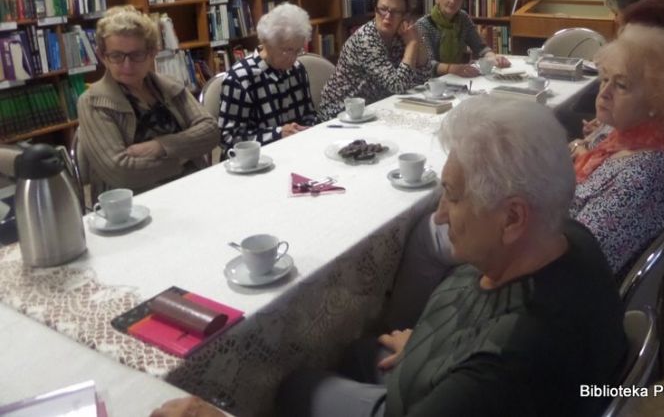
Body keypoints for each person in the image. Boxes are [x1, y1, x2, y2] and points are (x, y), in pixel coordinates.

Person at [151, 98, 627, 417]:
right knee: (357, 348)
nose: (439, 216)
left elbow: (492, 364)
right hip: (437, 370)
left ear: (512, 218)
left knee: (294, 387)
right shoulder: (567, 235)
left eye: (453, 197)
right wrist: (429, 346)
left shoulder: (505, 365)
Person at [569, 24, 664, 276]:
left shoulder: (643, 175)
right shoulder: (619, 138)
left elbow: (578, 263)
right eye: (605, 79)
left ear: (658, 100)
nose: (604, 93)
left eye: (621, 85)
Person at [76, 5, 218, 195]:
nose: (127, 65)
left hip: (192, 186)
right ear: (103, 57)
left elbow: (210, 131)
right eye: (116, 56)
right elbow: (121, 172)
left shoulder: (170, 86)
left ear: (152, 53)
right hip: (133, 203)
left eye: (137, 55)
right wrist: (182, 156)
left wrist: (160, 146)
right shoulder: (93, 102)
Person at [319, 0, 431, 119]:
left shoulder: (401, 34)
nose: (387, 17)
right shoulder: (366, 40)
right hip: (341, 113)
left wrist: (417, 38)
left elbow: (424, 77)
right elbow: (398, 86)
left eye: (395, 12)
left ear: (405, 16)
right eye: (383, 9)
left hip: (375, 108)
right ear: (375, 9)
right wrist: (412, 44)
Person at [218, 3, 319, 150]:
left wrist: (308, 128)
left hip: (296, 152)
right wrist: (277, 134)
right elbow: (229, 139)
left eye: (297, 51)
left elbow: (309, 115)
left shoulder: (297, 70)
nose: (292, 58)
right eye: (287, 50)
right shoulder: (240, 79)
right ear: (267, 43)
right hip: (255, 162)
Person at [415, 0, 509, 77]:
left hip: (457, 78)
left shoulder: (463, 18)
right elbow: (426, 65)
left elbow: (480, 47)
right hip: (432, 83)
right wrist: (451, 69)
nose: (452, 1)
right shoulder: (424, 25)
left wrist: (492, 57)